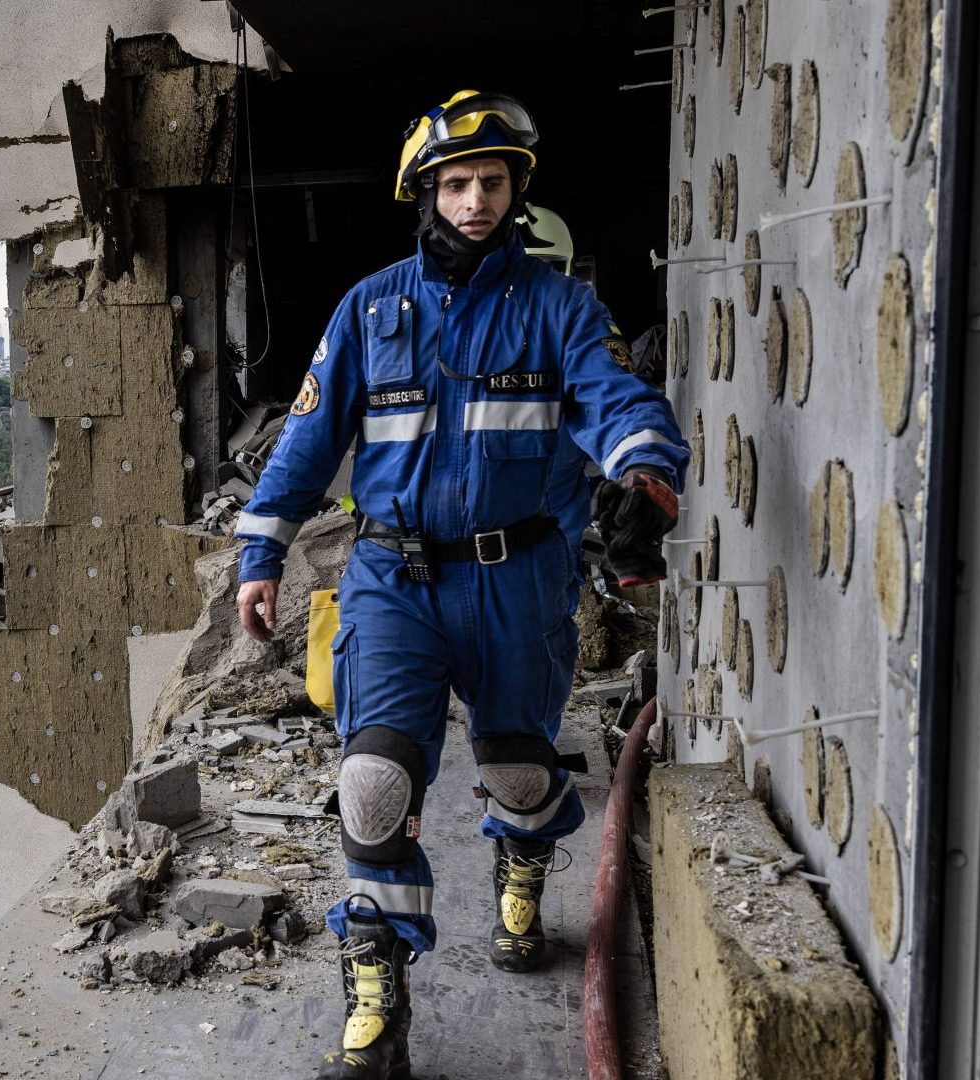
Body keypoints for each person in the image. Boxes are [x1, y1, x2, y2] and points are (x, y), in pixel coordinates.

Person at [230, 91, 688, 1079]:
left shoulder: (563, 307)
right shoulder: (371, 308)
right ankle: (378, 992)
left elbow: (615, 395)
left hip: (519, 580)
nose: (473, 200)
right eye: (456, 184)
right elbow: (307, 443)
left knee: (521, 774)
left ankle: (520, 864)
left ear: (515, 191)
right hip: (391, 578)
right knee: (373, 781)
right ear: (426, 194)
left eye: (491, 183)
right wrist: (260, 553)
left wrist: (643, 453)